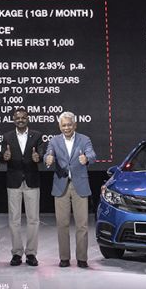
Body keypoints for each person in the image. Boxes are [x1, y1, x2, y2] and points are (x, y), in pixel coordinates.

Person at [45, 111, 96, 268]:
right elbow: (48, 155)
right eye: (63, 125)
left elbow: (92, 154)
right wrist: (48, 159)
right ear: (59, 126)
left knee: (82, 225)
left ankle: (82, 258)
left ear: (75, 125)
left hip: (80, 184)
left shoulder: (84, 139)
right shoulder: (54, 140)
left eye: (69, 125)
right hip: (61, 185)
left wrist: (87, 159)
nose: (66, 128)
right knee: (62, 224)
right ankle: (64, 258)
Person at [1, 107, 44, 266]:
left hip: (32, 181)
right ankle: (17, 253)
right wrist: (5, 157)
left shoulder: (37, 135)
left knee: (33, 219)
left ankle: (31, 253)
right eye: (17, 118)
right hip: (14, 181)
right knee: (14, 220)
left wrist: (38, 157)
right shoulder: (7, 136)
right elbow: (2, 157)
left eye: (23, 117)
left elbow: (41, 154)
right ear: (14, 119)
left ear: (28, 118)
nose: (20, 120)